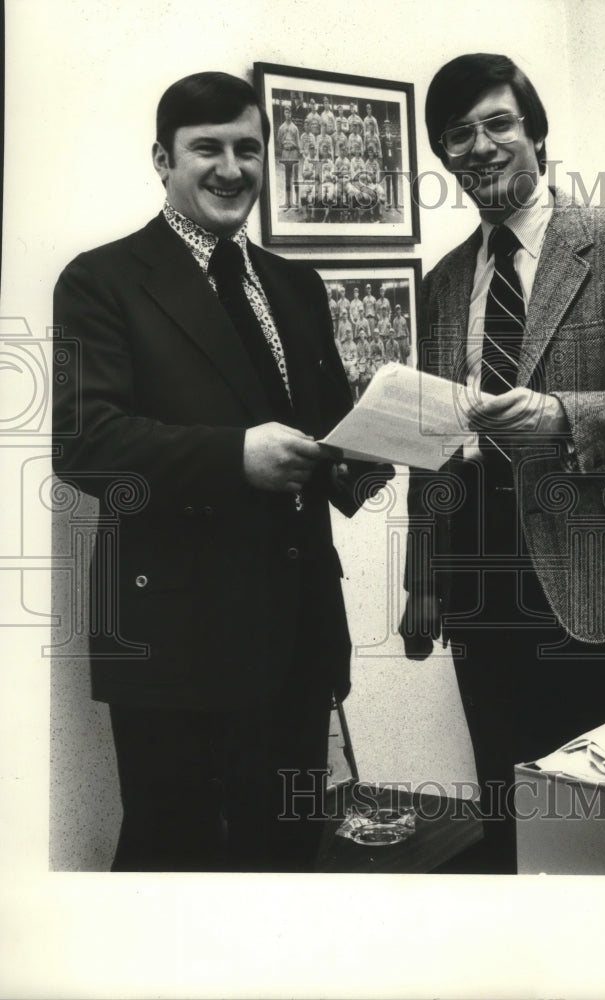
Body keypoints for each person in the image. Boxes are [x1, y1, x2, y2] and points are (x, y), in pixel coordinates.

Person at [53, 71, 390, 873]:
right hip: (177, 648)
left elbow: (322, 432)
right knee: (178, 862)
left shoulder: (296, 285)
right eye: (208, 149)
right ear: (163, 159)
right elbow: (86, 442)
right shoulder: (101, 282)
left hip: (300, 635)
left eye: (248, 149)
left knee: (283, 856)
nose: (232, 168)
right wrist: (234, 457)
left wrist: (373, 454)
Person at [399, 53, 605, 874]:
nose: (480, 147)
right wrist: (422, 580)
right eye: (458, 135)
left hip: (598, 578)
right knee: (506, 805)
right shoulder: (448, 280)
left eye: (498, 124)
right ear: (446, 157)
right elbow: (432, 445)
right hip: (481, 581)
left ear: (536, 133)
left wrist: (560, 418)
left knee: (597, 824)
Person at [276, 103, 299, 209]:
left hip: (293, 152)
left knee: (295, 177)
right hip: (285, 152)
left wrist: (294, 148)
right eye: (286, 112)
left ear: (291, 114)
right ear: (284, 114)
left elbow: (298, 144)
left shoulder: (295, 128)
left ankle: (295, 201)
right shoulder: (281, 127)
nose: (287, 114)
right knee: (287, 177)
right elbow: (279, 142)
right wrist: (285, 148)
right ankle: (287, 201)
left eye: (289, 112)